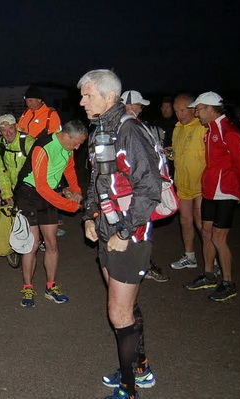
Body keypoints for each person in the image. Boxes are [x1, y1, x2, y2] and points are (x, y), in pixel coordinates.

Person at [79, 69, 161, 399]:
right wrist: (89, 215)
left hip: (130, 235)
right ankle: (138, 368)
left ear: (109, 97)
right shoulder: (102, 128)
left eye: (88, 95)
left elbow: (149, 189)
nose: (82, 100)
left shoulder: (130, 131)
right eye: (82, 95)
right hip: (105, 229)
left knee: (119, 313)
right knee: (125, 308)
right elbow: (97, 180)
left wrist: (125, 231)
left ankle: (129, 388)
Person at [183, 92, 240, 302]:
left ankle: (229, 283)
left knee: (218, 237)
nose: (196, 112)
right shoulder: (210, 129)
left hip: (225, 191)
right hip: (210, 190)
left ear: (211, 109)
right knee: (206, 232)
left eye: (199, 109)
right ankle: (209, 275)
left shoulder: (228, 131)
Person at [14, 120, 85, 308]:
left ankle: (51, 285)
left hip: (50, 193)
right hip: (29, 193)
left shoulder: (68, 147)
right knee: (33, 243)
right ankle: (28, 286)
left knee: (52, 242)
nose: (77, 147)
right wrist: (69, 206)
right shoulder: (43, 147)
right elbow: (41, 186)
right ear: (66, 136)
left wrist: (76, 190)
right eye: (76, 143)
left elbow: (69, 169)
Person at [120, 91, 170, 284]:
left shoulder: (129, 125)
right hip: (136, 191)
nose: (141, 108)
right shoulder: (130, 127)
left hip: (131, 191)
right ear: (130, 105)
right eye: (139, 105)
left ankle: (136, 267)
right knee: (137, 232)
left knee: (135, 231)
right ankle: (137, 270)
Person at [166, 94, 207, 271]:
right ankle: (189, 256)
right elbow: (177, 153)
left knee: (201, 222)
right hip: (183, 183)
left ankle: (211, 260)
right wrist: (170, 153)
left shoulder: (202, 127)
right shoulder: (177, 128)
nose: (179, 114)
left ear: (192, 109)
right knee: (185, 220)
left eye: (183, 110)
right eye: (176, 111)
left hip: (200, 184)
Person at [0, 114, 35, 207]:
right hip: (14, 190)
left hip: (31, 190)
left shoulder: (28, 142)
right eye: (4, 130)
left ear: (16, 126)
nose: (8, 133)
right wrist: (7, 193)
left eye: (11, 128)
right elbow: (0, 170)